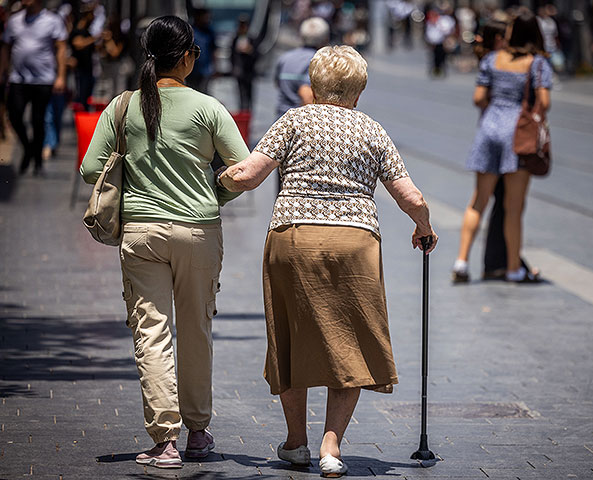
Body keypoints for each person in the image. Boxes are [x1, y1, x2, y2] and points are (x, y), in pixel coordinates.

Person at [219, 45, 437, 477]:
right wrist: (423, 227)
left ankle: (296, 442)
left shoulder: (294, 120)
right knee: (351, 340)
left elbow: (247, 175)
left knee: (291, 336)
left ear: (314, 86)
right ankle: (331, 447)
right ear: (358, 91)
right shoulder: (372, 130)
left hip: (294, 238)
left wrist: (220, 179)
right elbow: (411, 197)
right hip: (355, 244)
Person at [80, 16, 249, 469]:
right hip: (199, 232)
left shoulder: (122, 106)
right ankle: (197, 433)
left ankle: (164, 441)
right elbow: (243, 169)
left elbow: (89, 169)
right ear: (189, 56)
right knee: (196, 329)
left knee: (151, 332)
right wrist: (215, 193)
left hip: (141, 234)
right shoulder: (209, 108)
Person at [452, 9, 552, 284]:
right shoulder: (538, 64)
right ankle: (512, 269)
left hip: (489, 129)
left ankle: (461, 263)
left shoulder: (493, 59)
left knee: (478, 201)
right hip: (517, 136)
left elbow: (478, 97)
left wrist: (494, 111)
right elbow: (544, 103)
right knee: (513, 207)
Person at [0, 0, 67, 176]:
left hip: (43, 80)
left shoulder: (52, 20)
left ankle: (37, 159)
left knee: (38, 120)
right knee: (14, 115)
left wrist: (61, 76)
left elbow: (61, 48)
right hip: (19, 79)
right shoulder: (14, 20)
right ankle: (28, 148)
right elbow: (6, 46)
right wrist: (4, 70)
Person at [274, 16, 329, 118]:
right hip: (301, 123)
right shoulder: (320, 62)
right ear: (325, 39)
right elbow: (307, 97)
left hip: (281, 119)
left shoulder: (284, 58)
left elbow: (277, 84)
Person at [230, 15, 257, 111]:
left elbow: (257, 55)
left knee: (249, 95)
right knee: (240, 94)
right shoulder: (235, 39)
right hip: (239, 72)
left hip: (249, 73)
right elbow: (232, 55)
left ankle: (248, 112)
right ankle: (242, 112)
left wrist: (250, 51)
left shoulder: (251, 39)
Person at [187, 8, 217, 94]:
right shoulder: (190, 31)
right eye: (205, 17)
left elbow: (214, 50)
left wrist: (215, 67)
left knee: (204, 93)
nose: (207, 19)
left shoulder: (209, 32)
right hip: (191, 70)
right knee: (192, 92)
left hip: (206, 70)